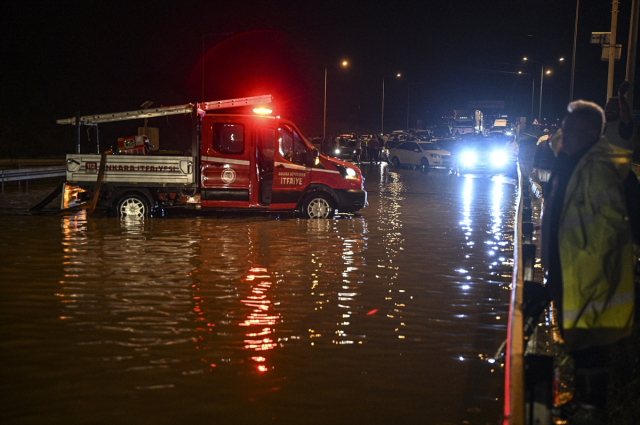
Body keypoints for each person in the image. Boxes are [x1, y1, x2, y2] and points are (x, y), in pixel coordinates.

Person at [541, 100, 634, 423]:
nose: (562, 134)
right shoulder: (572, 158)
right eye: (562, 128)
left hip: (585, 275)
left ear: (592, 132)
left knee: (589, 347)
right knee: (578, 343)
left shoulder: (595, 171)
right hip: (569, 270)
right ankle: (582, 402)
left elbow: (607, 233)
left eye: (570, 129)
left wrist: (584, 273)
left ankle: (591, 411)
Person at [603, 81, 634, 152]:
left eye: (613, 107)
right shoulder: (603, 126)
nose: (609, 110)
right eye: (607, 107)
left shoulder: (623, 126)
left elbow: (625, 113)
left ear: (620, 110)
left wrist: (621, 95)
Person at [532, 128, 556, 196]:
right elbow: (537, 155)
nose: (551, 136)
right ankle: (544, 198)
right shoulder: (542, 144)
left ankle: (546, 198)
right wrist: (535, 166)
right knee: (543, 184)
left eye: (552, 135)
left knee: (549, 184)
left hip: (550, 168)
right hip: (542, 167)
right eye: (550, 135)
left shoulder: (556, 145)